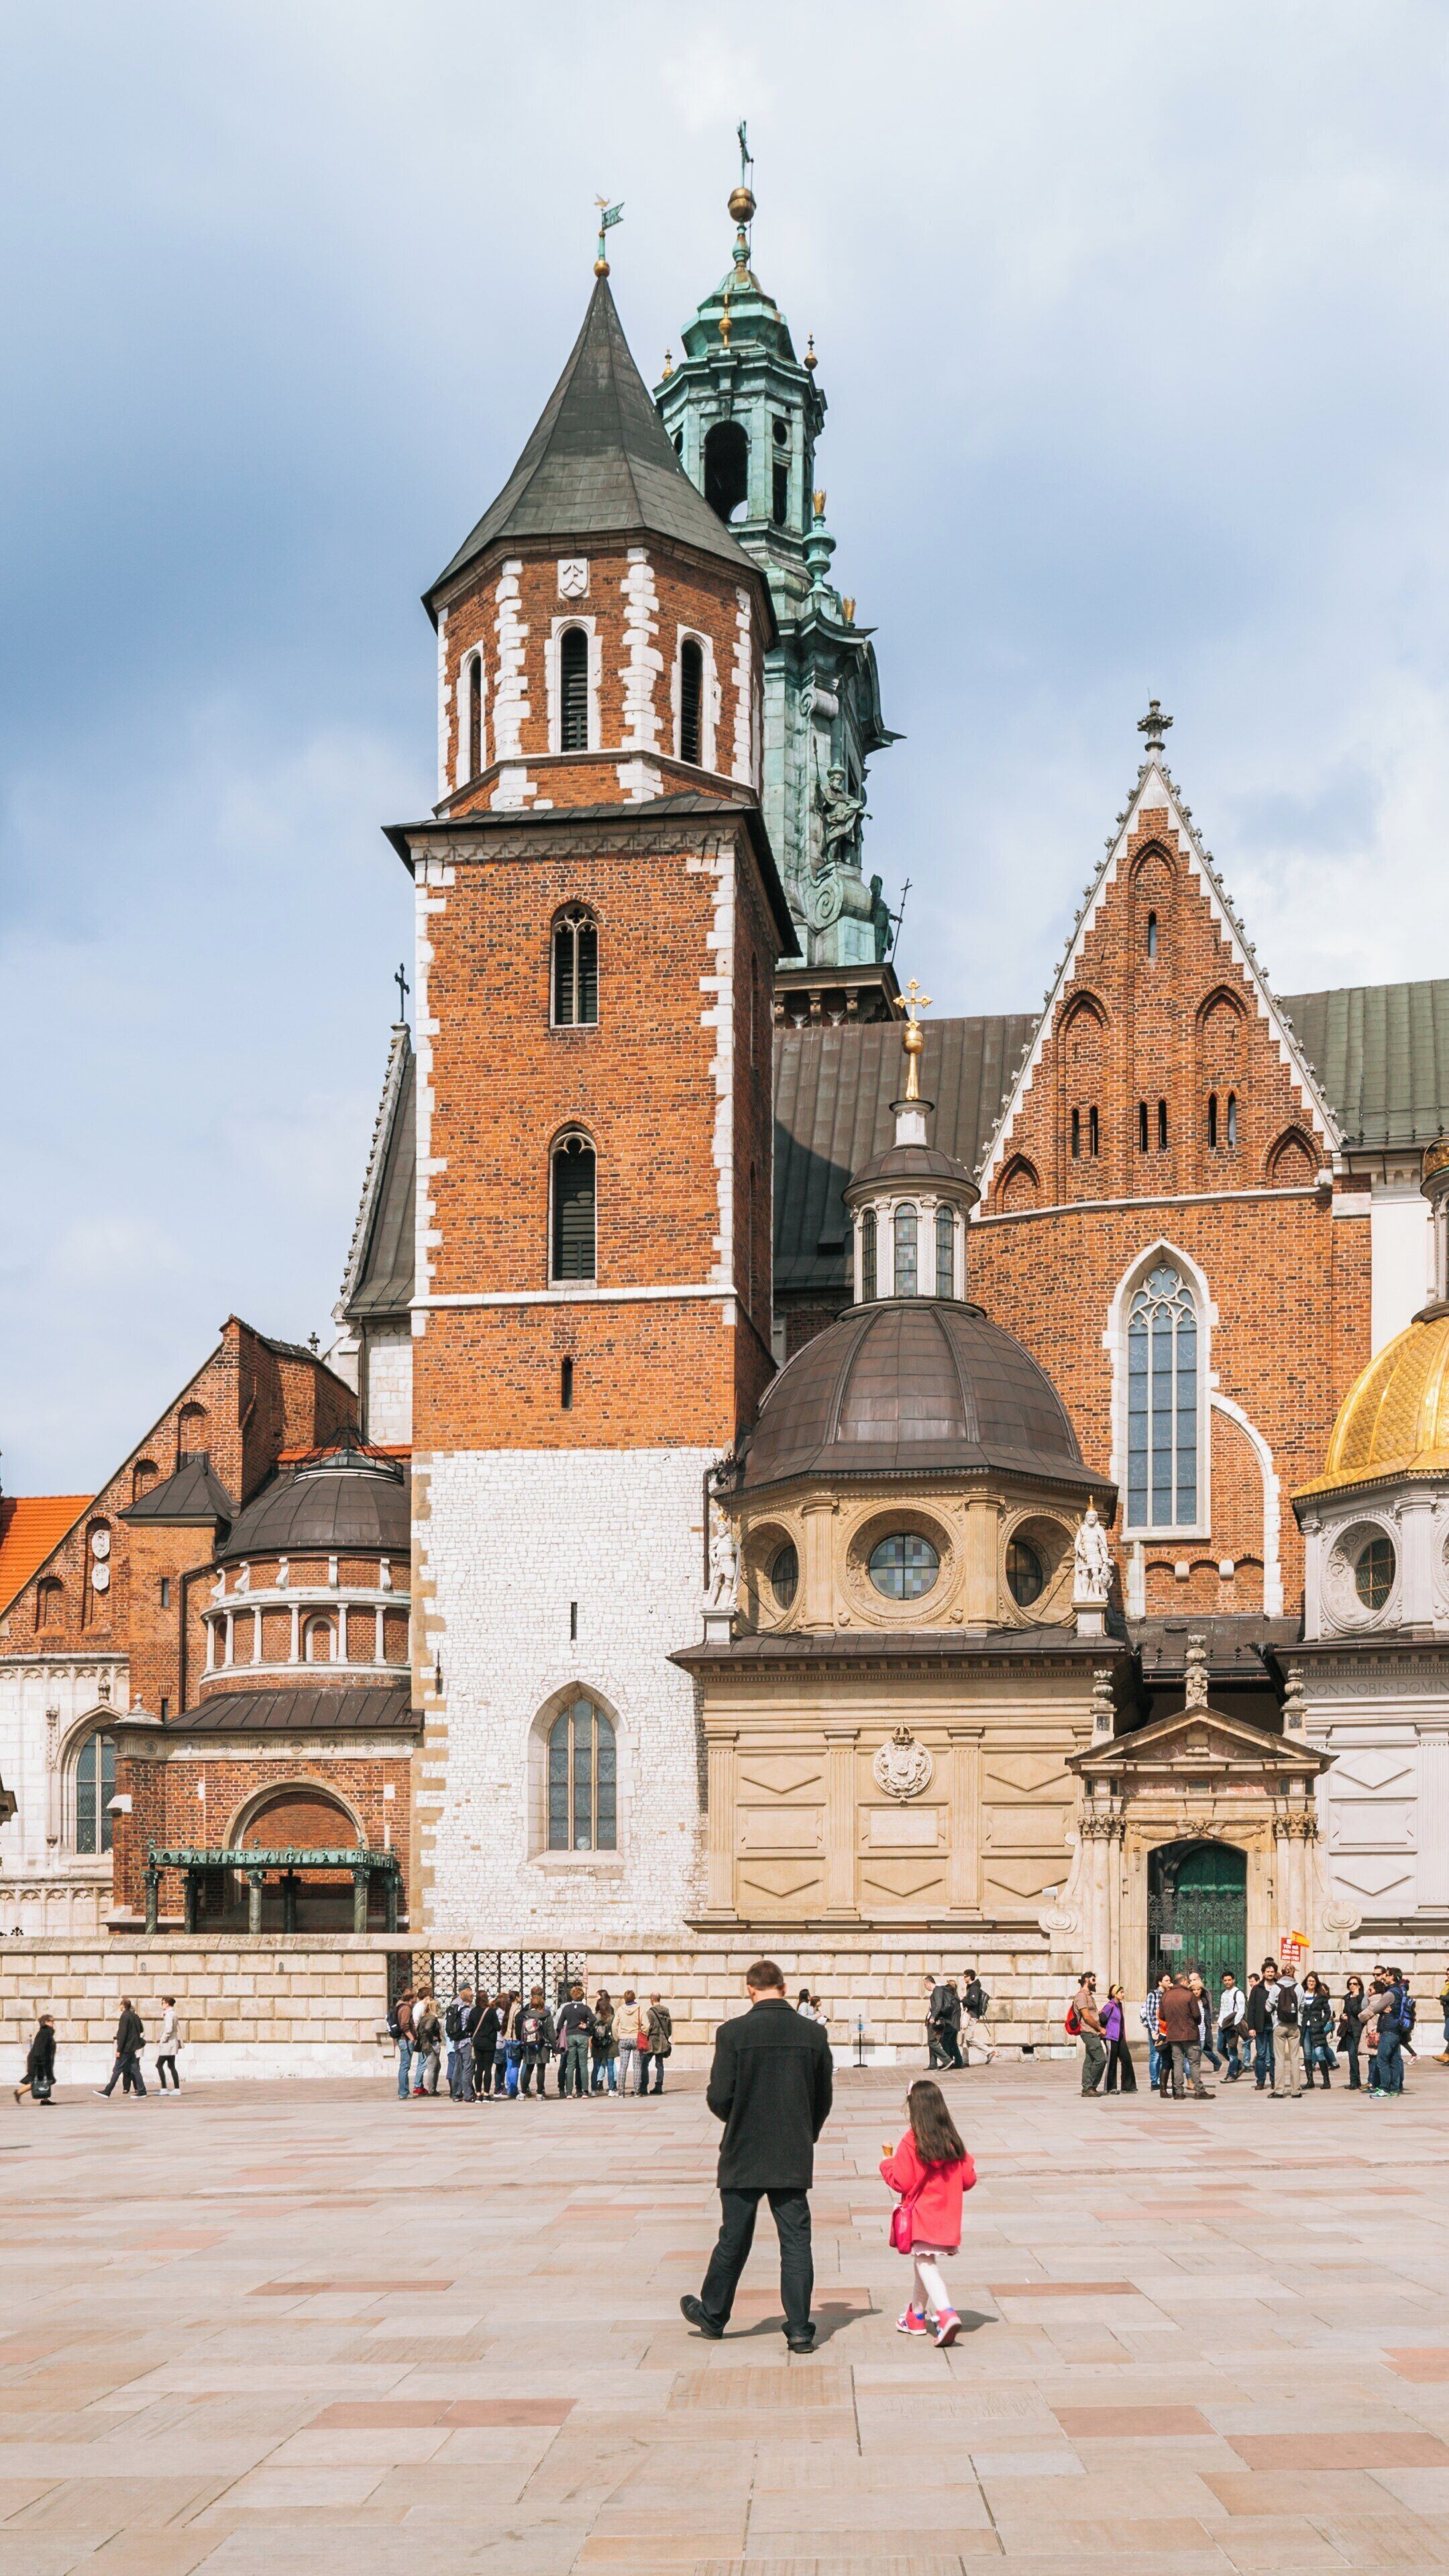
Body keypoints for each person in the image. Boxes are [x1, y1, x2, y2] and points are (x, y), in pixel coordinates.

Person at [681, 1959, 833, 2353]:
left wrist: (741, 2118)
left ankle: (713, 2316)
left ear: (749, 1989)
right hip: (791, 2152)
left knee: (733, 2237)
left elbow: (719, 2096)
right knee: (796, 2242)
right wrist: (805, 2133)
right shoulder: (813, 2033)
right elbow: (823, 2098)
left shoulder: (732, 2032)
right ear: (783, 1987)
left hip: (743, 2150)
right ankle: (799, 2329)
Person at [880, 2078, 977, 2348]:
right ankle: (916, 2316)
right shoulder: (953, 2140)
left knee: (925, 2263)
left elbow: (902, 2181)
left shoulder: (912, 2140)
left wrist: (887, 2162)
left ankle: (946, 2313)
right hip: (947, 2215)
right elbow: (968, 2180)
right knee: (922, 2260)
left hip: (922, 2214)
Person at [1158, 1973, 1212, 2100]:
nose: (1188, 1983)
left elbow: (1162, 2016)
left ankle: (1178, 2092)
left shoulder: (1166, 1996)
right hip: (1189, 2034)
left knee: (1177, 2063)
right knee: (1194, 2063)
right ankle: (1199, 2090)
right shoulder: (1189, 1995)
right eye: (1187, 1981)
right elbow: (1197, 2015)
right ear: (1182, 1982)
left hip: (1173, 2035)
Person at [96, 1998, 147, 2098]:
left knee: (117, 2069)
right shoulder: (135, 2016)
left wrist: (119, 2050)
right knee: (135, 2069)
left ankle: (107, 2091)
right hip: (133, 2047)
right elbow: (141, 2029)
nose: (119, 2006)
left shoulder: (124, 2016)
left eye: (120, 2004)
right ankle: (142, 2091)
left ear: (123, 2005)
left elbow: (122, 2034)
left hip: (125, 2049)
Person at [557, 1984, 596, 2098]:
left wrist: (559, 2036)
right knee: (583, 2064)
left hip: (570, 2036)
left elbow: (559, 2024)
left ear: (572, 1996)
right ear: (582, 1996)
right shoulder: (585, 2008)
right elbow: (594, 2020)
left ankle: (569, 2092)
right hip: (582, 2035)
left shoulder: (566, 2008)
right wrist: (586, 2025)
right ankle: (584, 2091)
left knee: (570, 2065)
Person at [1244, 1964, 1278, 2092]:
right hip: (1261, 2026)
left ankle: (1275, 2081)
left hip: (1276, 2026)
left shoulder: (1279, 1987)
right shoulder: (1257, 1989)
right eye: (1268, 1971)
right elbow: (1251, 2009)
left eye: (1272, 1971)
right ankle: (1261, 2081)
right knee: (1261, 2055)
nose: (1270, 1973)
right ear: (1263, 1973)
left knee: (1275, 2056)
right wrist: (1251, 2027)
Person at [1071, 1973, 1106, 2095]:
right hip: (1088, 2031)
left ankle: (1087, 2087)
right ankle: (1090, 2087)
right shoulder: (1081, 1996)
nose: (1095, 1982)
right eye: (1093, 1980)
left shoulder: (1089, 1996)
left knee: (1089, 2060)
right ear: (1087, 1980)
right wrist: (1100, 2028)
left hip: (1092, 2032)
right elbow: (1086, 2016)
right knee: (1101, 2059)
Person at [515, 1988, 555, 2097]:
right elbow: (551, 2032)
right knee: (541, 2069)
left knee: (529, 2068)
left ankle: (523, 2092)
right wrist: (555, 2047)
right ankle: (539, 2093)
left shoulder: (526, 2015)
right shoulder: (547, 2015)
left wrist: (523, 2044)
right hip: (544, 2045)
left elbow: (523, 2031)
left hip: (530, 2044)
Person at [1271, 1968, 1303, 2098]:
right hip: (1294, 2025)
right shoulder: (1299, 1987)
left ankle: (1279, 2091)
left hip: (1279, 2024)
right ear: (1293, 1973)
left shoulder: (1275, 1987)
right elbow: (1302, 2006)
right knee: (1295, 2059)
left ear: (1282, 1973)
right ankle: (1296, 2091)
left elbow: (1269, 2005)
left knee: (1279, 2059)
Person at [14, 2011, 56, 2104]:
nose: (53, 2023)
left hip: (40, 2060)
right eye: (52, 2021)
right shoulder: (45, 2032)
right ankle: (18, 2092)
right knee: (38, 2080)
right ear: (46, 2022)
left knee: (44, 2079)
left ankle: (45, 2100)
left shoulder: (46, 2032)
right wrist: (40, 2062)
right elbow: (40, 2048)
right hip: (39, 2060)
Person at [1102, 1984, 1136, 2093]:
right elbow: (1101, 2017)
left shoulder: (1119, 2005)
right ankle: (1110, 2087)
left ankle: (1128, 2086)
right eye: (1121, 1992)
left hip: (1120, 2037)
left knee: (1127, 2059)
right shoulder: (1110, 2005)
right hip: (1111, 2037)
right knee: (1112, 2062)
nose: (1123, 1994)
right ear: (1115, 1994)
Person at [1302, 1974, 1333, 2087]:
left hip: (1317, 2028)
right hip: (1305, 2028)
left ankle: (1326, 2080)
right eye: (1309, 1981)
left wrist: (1323, 2023)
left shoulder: (1321, 1996)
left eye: (1313, 1981)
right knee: (1307, 2054)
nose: (1311, 1983)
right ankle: (1310, 2081)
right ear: (1306, 1982)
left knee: (1319, 2052)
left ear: (1316, 1983)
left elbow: (1328, 2012)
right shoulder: (1302, 1994)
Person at [925, 1976, 962, 2070]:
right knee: (936, 2041)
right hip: (938, 2019)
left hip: (937, 2020)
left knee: (932, 2041)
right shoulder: (939, 1990)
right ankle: (933, 2064)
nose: (926, 1987)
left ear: (929, 1983)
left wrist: (933, 2016)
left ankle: (947, 2060)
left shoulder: (937, 1990)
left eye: (925, 1985)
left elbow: (938, 2005)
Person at [1189, 1972, 1222, 2076]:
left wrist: (1209, 2023)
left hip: (1203, 2030)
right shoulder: (1189, 1999)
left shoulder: (1206, 1997)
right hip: (1193, 2032)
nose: (1193, 1983)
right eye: (1191, 1981)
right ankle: (1191, 2072)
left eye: (1194, 1980)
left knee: (1202, 2050)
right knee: (1198, 2052)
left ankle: (1215, 2063)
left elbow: (1209, 2011)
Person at [446, 1986, 475, 2100]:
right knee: (468, 2068)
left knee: (458, 2068)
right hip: (466, 2042)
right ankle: (468, 2094)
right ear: (470, 1998)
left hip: (457, 2043)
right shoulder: (468, 2011)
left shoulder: (457, 2010)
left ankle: (456, 2093)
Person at [1338, 1974, 1367, 2090]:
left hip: (1357, 2030)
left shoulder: (1361, 1998)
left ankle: (1354, 2081)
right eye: (1350, 1983)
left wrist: (1355, 1998)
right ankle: (1356, 2080)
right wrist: (1342, 2016)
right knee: (1352, 2056)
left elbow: (1357, 2012)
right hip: (1348, 2030)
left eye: (1354, 1984)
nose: (1352, 1985)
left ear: (1359, 1986)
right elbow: (1346, 2012)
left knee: (1352, 2056)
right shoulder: (1347, 1997)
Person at [640, 1994, 672, 2094]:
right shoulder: (666, 2012)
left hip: (651, 2042)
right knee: (660, 2064)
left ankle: (644, 2087)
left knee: (644, 2064)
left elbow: (647, 2027)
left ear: (652, 2000)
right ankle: (659, 2087)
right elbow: (670, 2028)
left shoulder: (650, 2012)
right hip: (662, 2041)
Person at [961, 1968, 994, 2064]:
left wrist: (962, 2000)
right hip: (969, 2014)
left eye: (965, 1977)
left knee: (969, 2037)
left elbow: (973, 2002)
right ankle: (965, 2061)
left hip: (972, 2015)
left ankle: (989, 2052)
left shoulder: (974, 1988)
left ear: (969, 1977)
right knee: (964, 2039)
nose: (964, 1978)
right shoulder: (971, 1987)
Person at [1218, 1970, 1246, 2080]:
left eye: (1229, 1980)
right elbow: (1222, 2010)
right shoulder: (1224, 1993)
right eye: (1225, 1980)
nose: (1227, 1982)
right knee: (1220, 2048)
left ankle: (1231, 2074)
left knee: (1232, 2049)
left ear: (1233, 1980)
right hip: (1222, 2025)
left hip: (1232, 2025)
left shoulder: (1238, 1993)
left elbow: (1241, 2010)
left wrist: (1235, 2023)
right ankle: (1239, 2064)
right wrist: (1220, 2021)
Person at [1140, 1976, 1167, 2090]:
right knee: (1155, 2056)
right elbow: (1150, 2014)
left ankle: (1162, 2082)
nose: (1169, 1982)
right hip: (1156, 2031)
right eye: (1167, 1980)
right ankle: (1154, 2082)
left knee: (1162, 2057)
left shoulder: (1167, 1995)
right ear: (1160, 1982)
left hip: (1164, 2031)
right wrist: (1152, 2031)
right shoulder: (1153, 1995)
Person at [470, 1991, 499, 2098]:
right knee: (488, 2069)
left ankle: (478, 2094)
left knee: (479, 2068)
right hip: (489, 2042)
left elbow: (469, 2027)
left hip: (478, 2042)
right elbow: (498, 2027)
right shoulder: (491, 2011)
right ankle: (486, 2093)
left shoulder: (473, 2011)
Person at [616, 1989, 643, 2098]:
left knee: (623, 2066)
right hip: (636, 2038)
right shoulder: (639, 2009)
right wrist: (643, 2033)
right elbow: (646, 2024)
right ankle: (637, 2091)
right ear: (634, 1998)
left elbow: (614, 2025)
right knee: (637, 2065)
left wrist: (617, 2036)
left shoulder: (620, 2010)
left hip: (623, 2039)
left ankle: (621, 2092)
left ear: (625, 1999)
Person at [391, 1986, 416, 2100]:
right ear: (412, 1998)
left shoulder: (401, 2006)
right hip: (405, 2040)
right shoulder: (406, 2008)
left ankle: (403, 2091)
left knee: (404, 2066)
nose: (416, 1999)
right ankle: (403, 2092)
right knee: (405, 2067)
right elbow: (404, 2026)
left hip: (403, 2040)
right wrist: (412, 2038)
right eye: (415, 1996)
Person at [155, 1997, 182, 2090]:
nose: (162, 2005)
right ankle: (176, 2088)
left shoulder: (168, 2014)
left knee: (159, 2065)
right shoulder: (174, 2013)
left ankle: (164, 2088)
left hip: (167, 2044)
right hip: (172, 2043)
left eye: (163, 2003)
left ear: (167, 2004)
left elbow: (169, 2029)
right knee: (171, 2066)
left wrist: (163, 2039)